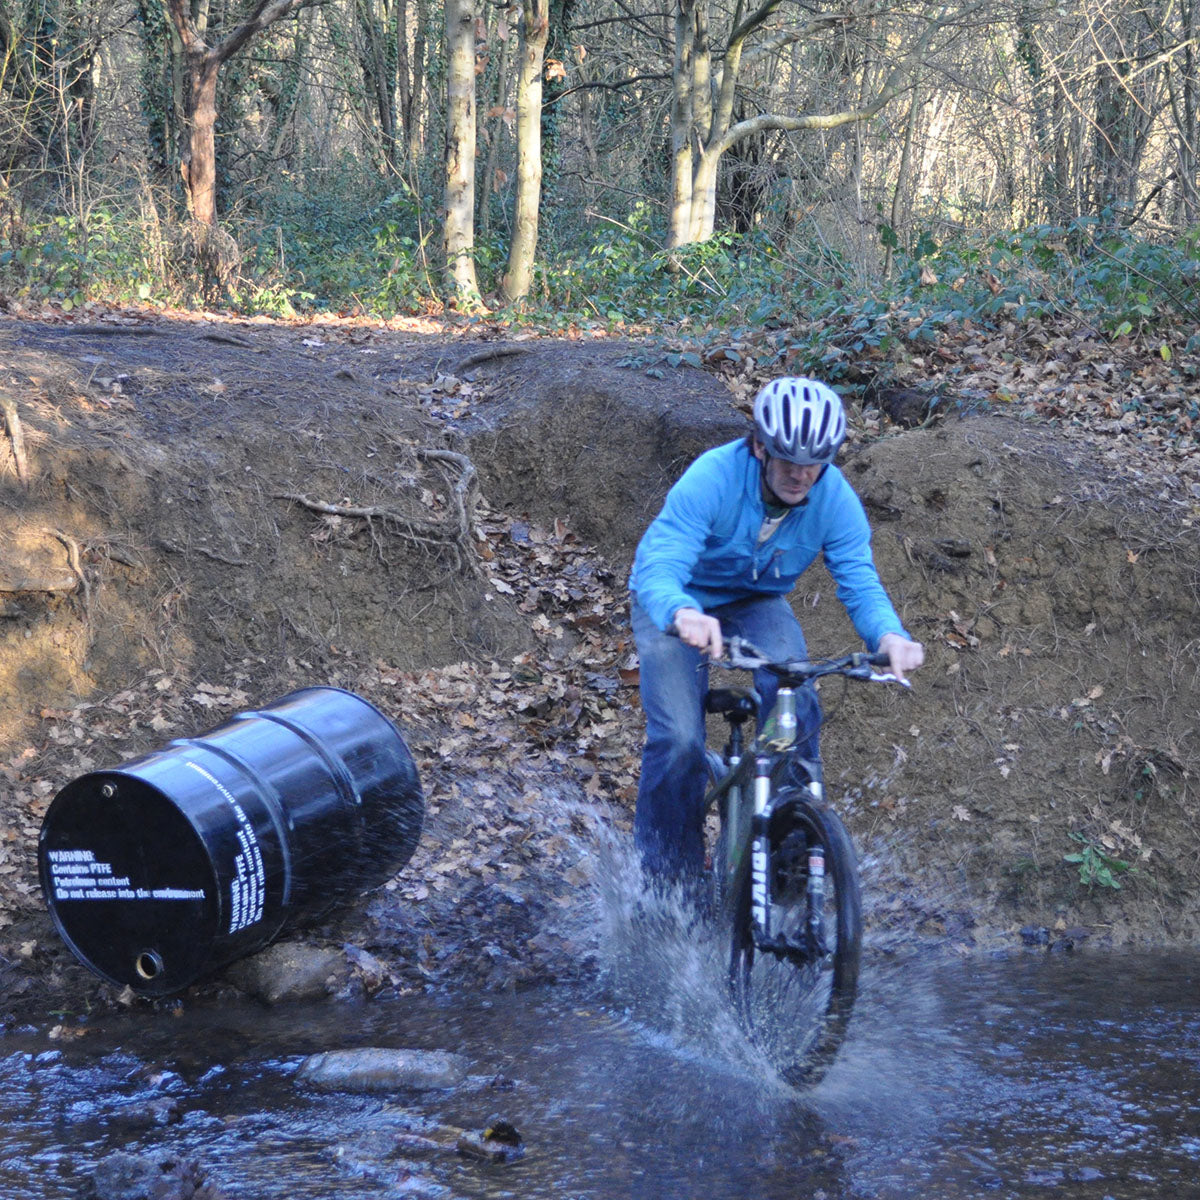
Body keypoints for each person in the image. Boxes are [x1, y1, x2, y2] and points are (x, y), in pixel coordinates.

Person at [628, 376, 924, 881]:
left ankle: (787, 840)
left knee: (798, 697)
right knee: (678, 740)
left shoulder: (834, 498)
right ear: (760, 446)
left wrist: (889, 636)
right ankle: (666, 877)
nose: (800, 474)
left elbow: (859, 579)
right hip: (678, 602)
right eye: (787, 458)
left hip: (756, 602)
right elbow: (661, 562)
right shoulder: (713, 478)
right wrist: (681, 612)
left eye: (814, 462)